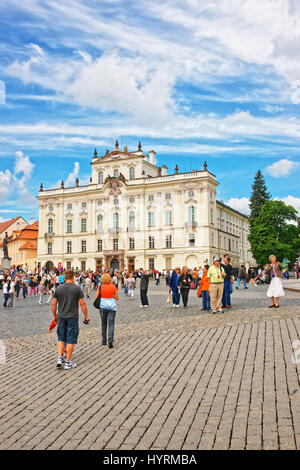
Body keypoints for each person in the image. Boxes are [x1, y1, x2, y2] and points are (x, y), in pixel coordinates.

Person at [52, 269, 89, 370]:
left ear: (65, 277)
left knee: (61, 338)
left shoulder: (59, 288)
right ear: (73, 277)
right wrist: (86, 316)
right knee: (71, 338)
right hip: (72, 317)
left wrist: (54, 315)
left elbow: (54, 303)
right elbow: (82, 303)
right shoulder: (77, 289)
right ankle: (68, 362)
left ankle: (60, 358)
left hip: (61, 317)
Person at [94, 273, 119, 348]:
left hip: (103, 306)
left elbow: (95, 297)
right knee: (111, 323)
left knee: (104, 323)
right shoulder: (113, 287)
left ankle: (104, 340)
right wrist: (113, 296)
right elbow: (117, 298)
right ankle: (110, 339)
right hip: (112, 307)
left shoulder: (100, 287)